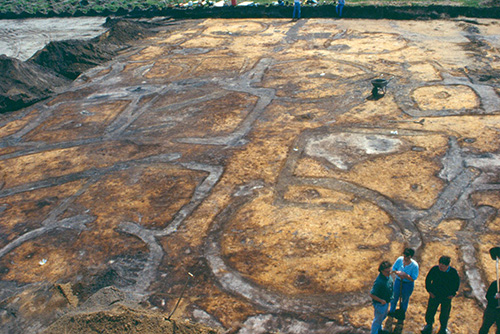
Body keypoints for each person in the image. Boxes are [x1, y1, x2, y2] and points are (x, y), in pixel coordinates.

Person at [421, 256, 460, 334]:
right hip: (434, 295)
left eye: (443, 265)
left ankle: (443, 328)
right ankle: (428, 325)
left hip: (446, 297)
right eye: (440, 264)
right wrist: (429, 291)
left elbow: (456, 283)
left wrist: (453, 294)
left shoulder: (453, 272)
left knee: (445, 313)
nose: (441, 267)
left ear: (447, 265)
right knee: (430, 311)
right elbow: (428, 280)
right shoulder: (435, 269)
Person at [389, 248, 419, 318]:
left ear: (410, 256)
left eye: (407, 257)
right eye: (404, 256)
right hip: (398, 281)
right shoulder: (399, 260)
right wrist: (398, 273)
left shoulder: (414, 265)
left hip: (407, 284)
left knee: (405, 299)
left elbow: (413, 278)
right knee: (394, 297)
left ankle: (402, 313)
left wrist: (406, 276)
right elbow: (394, 269)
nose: (405, 258)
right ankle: (392, 311)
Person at [370, 260, 394, 334]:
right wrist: (381, 301)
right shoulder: (379, 282)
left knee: (382, 317)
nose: (389, 273)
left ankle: (379, 330)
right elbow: (372, 294)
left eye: (390, 271)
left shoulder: (388, 277)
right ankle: (374, 332)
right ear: (381, 271)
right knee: (377, 320)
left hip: (386, 302)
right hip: (380, 304)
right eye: (387, 272)